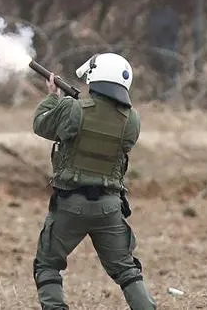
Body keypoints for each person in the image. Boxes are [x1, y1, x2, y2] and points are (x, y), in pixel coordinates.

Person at [31, 52, 157, 310]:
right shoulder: (132, 120)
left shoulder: (72, 109)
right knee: (127, 271)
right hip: (110, 207)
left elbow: (41, 126)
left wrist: (52, 98)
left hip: (70, 204)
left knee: (47, 264)